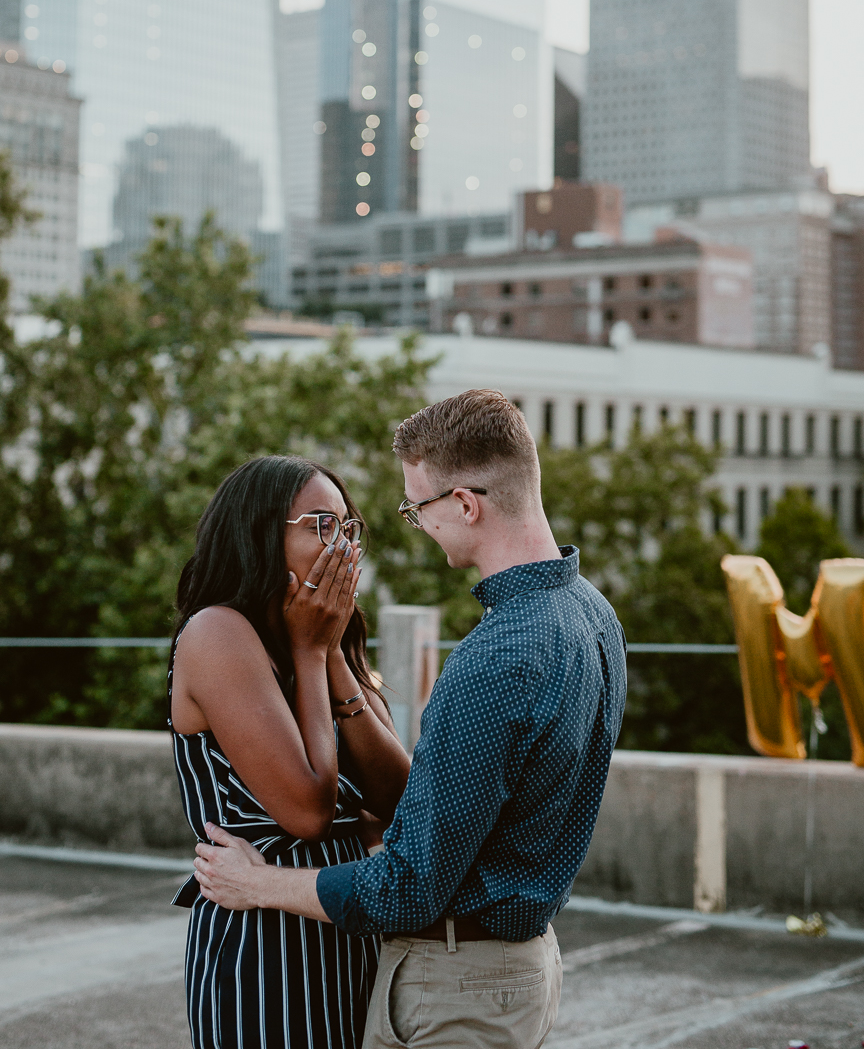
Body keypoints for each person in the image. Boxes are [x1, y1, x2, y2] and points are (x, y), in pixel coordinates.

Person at [193, 390, 627, 1049]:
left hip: (459, 980)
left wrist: (257, 883)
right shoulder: (592, 613)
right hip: (511, 967)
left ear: (464, 504)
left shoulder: (497, 657)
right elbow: (430, 809)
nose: (415, 526)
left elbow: (407, 887)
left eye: (416, 507)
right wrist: (327, 652)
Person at [168, 454, 411, 1049]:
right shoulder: (217, 633)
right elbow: (306, 813)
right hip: (264, 946)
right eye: (320, 526)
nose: (343, 548)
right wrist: (308, 653)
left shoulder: (322, 640)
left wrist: (329, 655)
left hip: (342, 933)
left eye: (349, 528)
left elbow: (401, 796)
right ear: (260, 536)